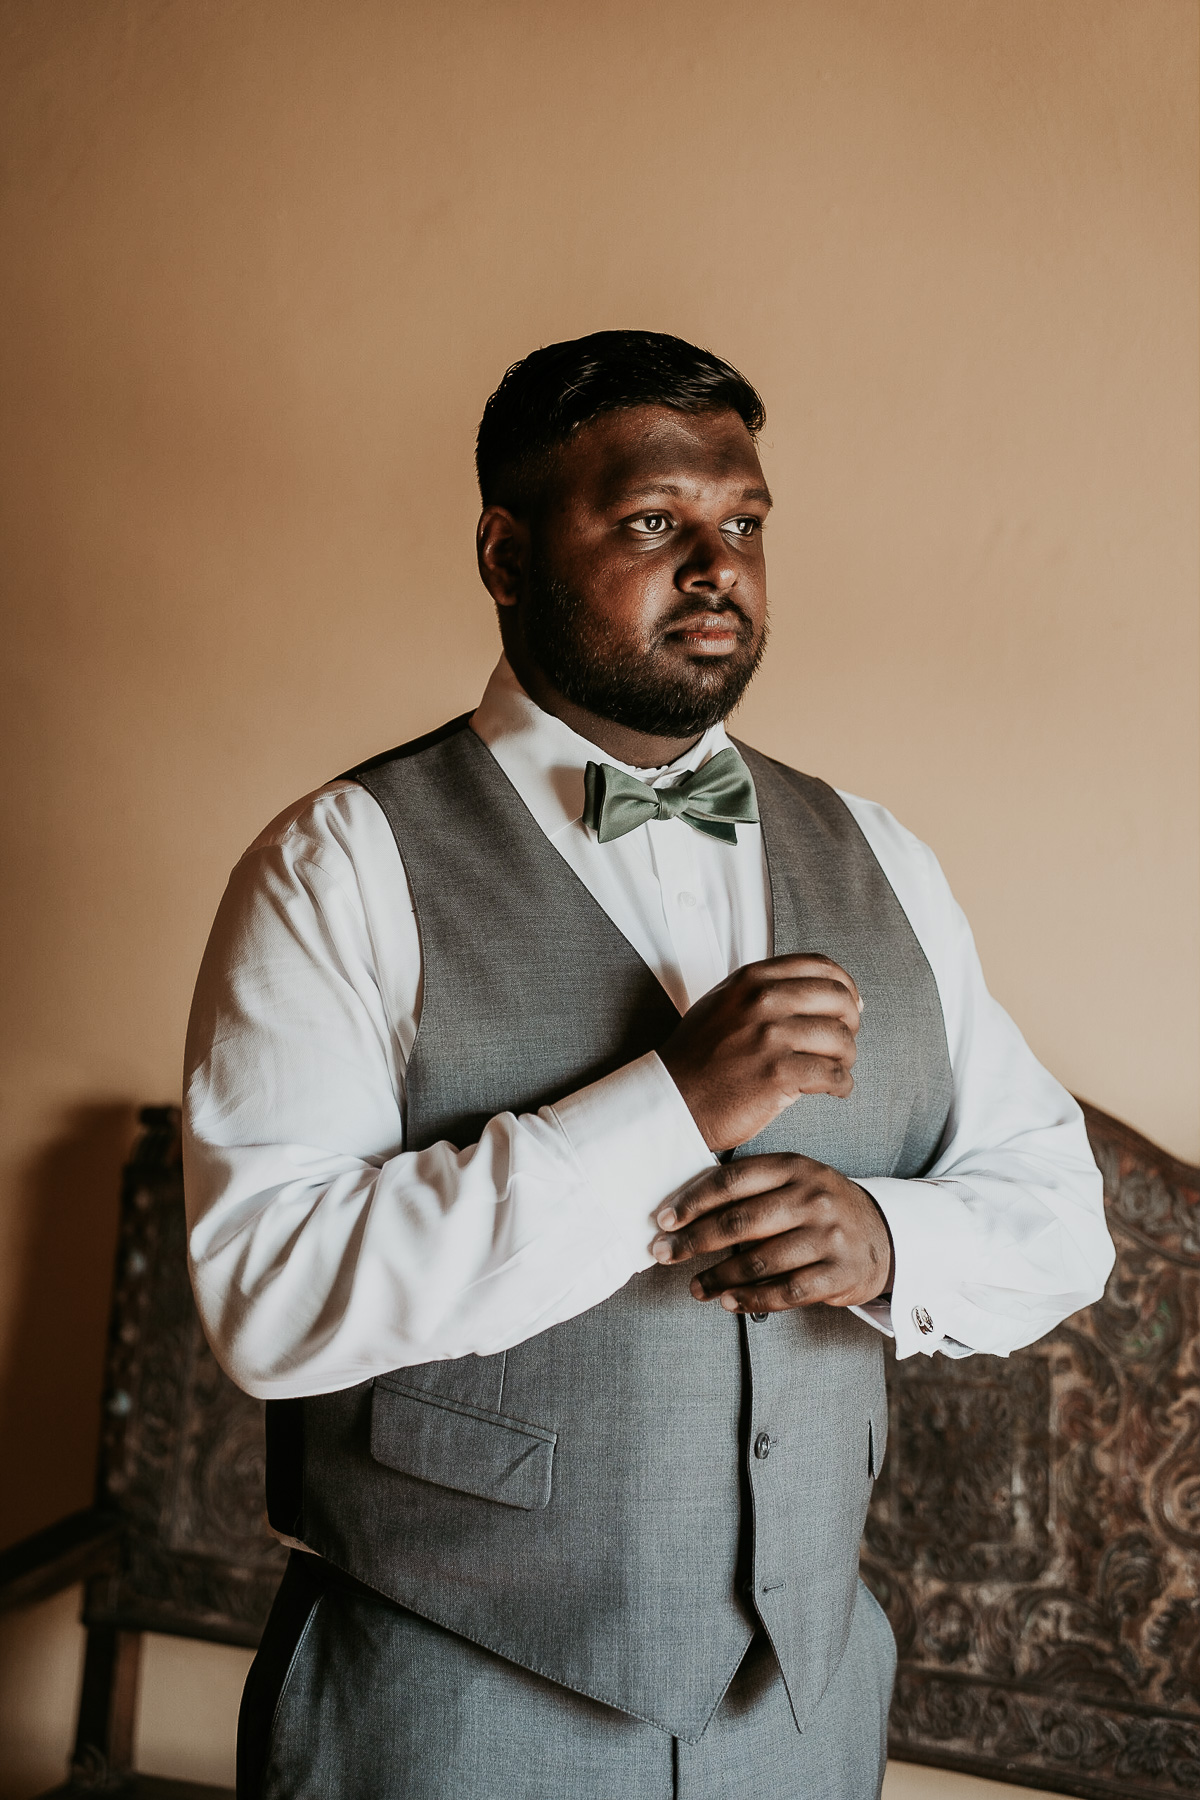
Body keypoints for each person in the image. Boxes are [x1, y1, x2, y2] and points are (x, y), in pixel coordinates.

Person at [183, 330, 1114, 1800]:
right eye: (651, 522)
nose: (716, 565)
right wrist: (672, 1108)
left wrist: (884, 1235)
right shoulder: (338, 864)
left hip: (801, 1718)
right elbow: (274, 1302)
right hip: (445, 1709)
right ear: (503, 550)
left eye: (742, 523)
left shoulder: (883, 859)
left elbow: (1061, 1217)